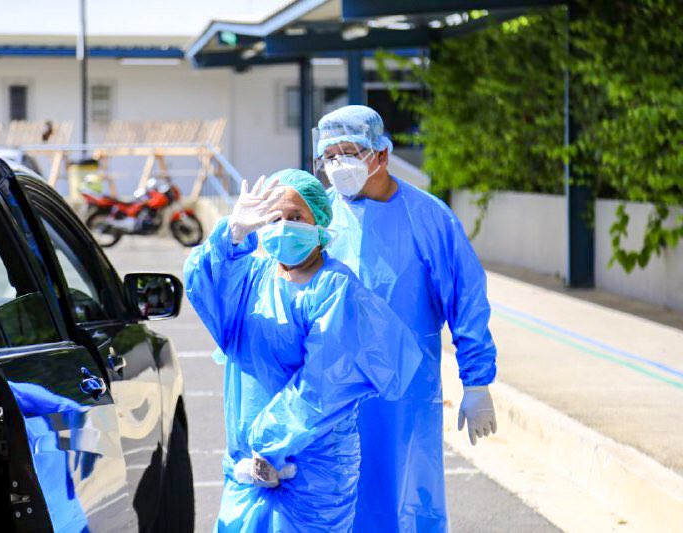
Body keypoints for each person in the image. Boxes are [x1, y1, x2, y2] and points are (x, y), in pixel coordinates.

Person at [183, 169, 425, 532]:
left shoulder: (335, 288)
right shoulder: (251, 279)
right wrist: (230, 235)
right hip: (247, 469)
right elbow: (203, 283)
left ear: (319, 223)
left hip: (311, 472)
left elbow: (324, 384)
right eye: (274, 218)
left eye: (296, 217)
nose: (284, 227)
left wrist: (268, 445)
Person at [313, 105, 498, 532]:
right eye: (329, 155)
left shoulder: (427, 217)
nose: (338, 164)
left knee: (407, 498)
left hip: (405, 397)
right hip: (329, 393)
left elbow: (466, 298)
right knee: (333, 503)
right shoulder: (319, 217)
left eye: (349, 152)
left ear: (381, 154)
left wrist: (477, 381)